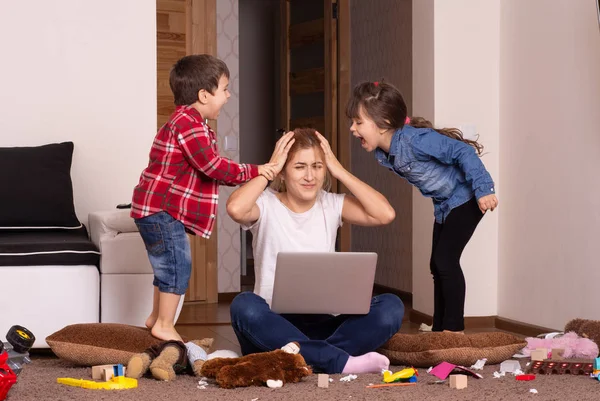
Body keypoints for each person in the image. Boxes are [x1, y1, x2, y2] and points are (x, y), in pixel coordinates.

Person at [226, 128, 405, 374]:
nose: (310, 176)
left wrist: (339, 169)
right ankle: (337, 361)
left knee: (391, 306)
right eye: (299, 167)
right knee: (243, 306)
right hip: (273, 325)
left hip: (324, 324)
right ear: (283, 172)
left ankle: (309, 357)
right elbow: (235, 208)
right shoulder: (265, 204)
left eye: (317, 166)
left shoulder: (331, 204)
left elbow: (385, 214)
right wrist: (269, 170)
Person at [130, 54, 276, 342]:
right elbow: (212, 166)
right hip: (160, 210)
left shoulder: (188, 122)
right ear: (204, 94)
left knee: (166, 265)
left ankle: (155, 317)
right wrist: (257, 170)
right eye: (224, 88)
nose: (228, 94)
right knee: (176, 266)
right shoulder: (189, 124)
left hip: (155, 209)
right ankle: (163, 323)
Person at [346, 80, 498, 333]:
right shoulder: (385, 152)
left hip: (468, 198)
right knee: (437, 264)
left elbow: (463, 152)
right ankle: (440, 328)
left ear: (383, 123)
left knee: (445, 260)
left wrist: (484, 189)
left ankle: (453, 330)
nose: (352, 128)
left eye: (358, 122)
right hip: (445, 205)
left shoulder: (416, 140)